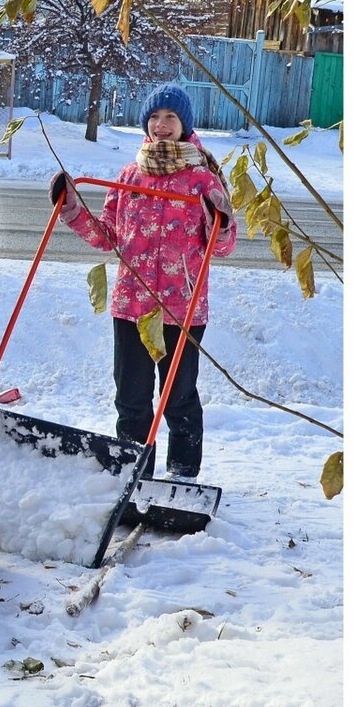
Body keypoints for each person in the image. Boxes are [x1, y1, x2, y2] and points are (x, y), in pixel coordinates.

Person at [48, 83, 236, 480]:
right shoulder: (130, 175)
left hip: (180, 308)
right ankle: (132, 474)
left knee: (178, 398)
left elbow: (223, 245)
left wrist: (218, 219)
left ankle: (183, 474)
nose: (161, 125)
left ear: (184, 124)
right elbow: (106, 237)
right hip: (130, 305)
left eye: (170, 117)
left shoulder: (203, 179)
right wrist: (71, 208)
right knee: (131, 397)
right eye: (154, 117)